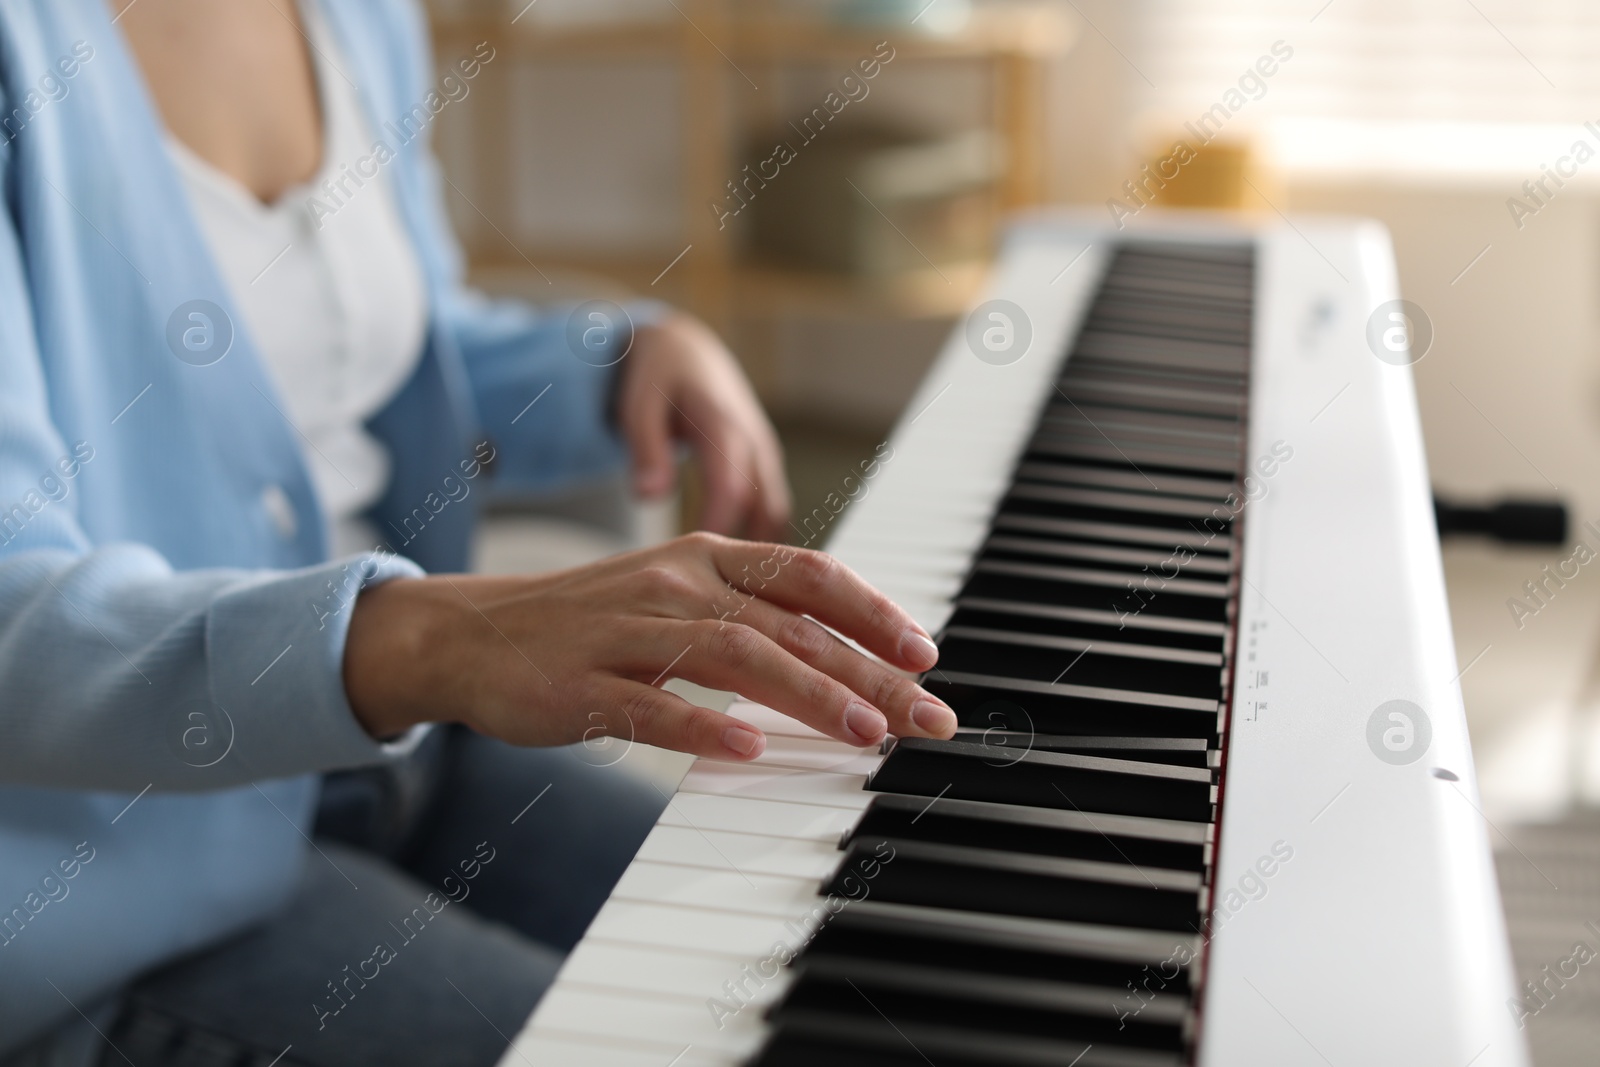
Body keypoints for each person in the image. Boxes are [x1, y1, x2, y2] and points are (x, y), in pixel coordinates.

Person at [0, 1, 958, 1064]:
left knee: (833, 941)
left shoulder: (360, 18)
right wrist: (428, 638)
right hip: (119, 882)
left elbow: (366, 351)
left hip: (406, 758)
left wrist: (622, 361)